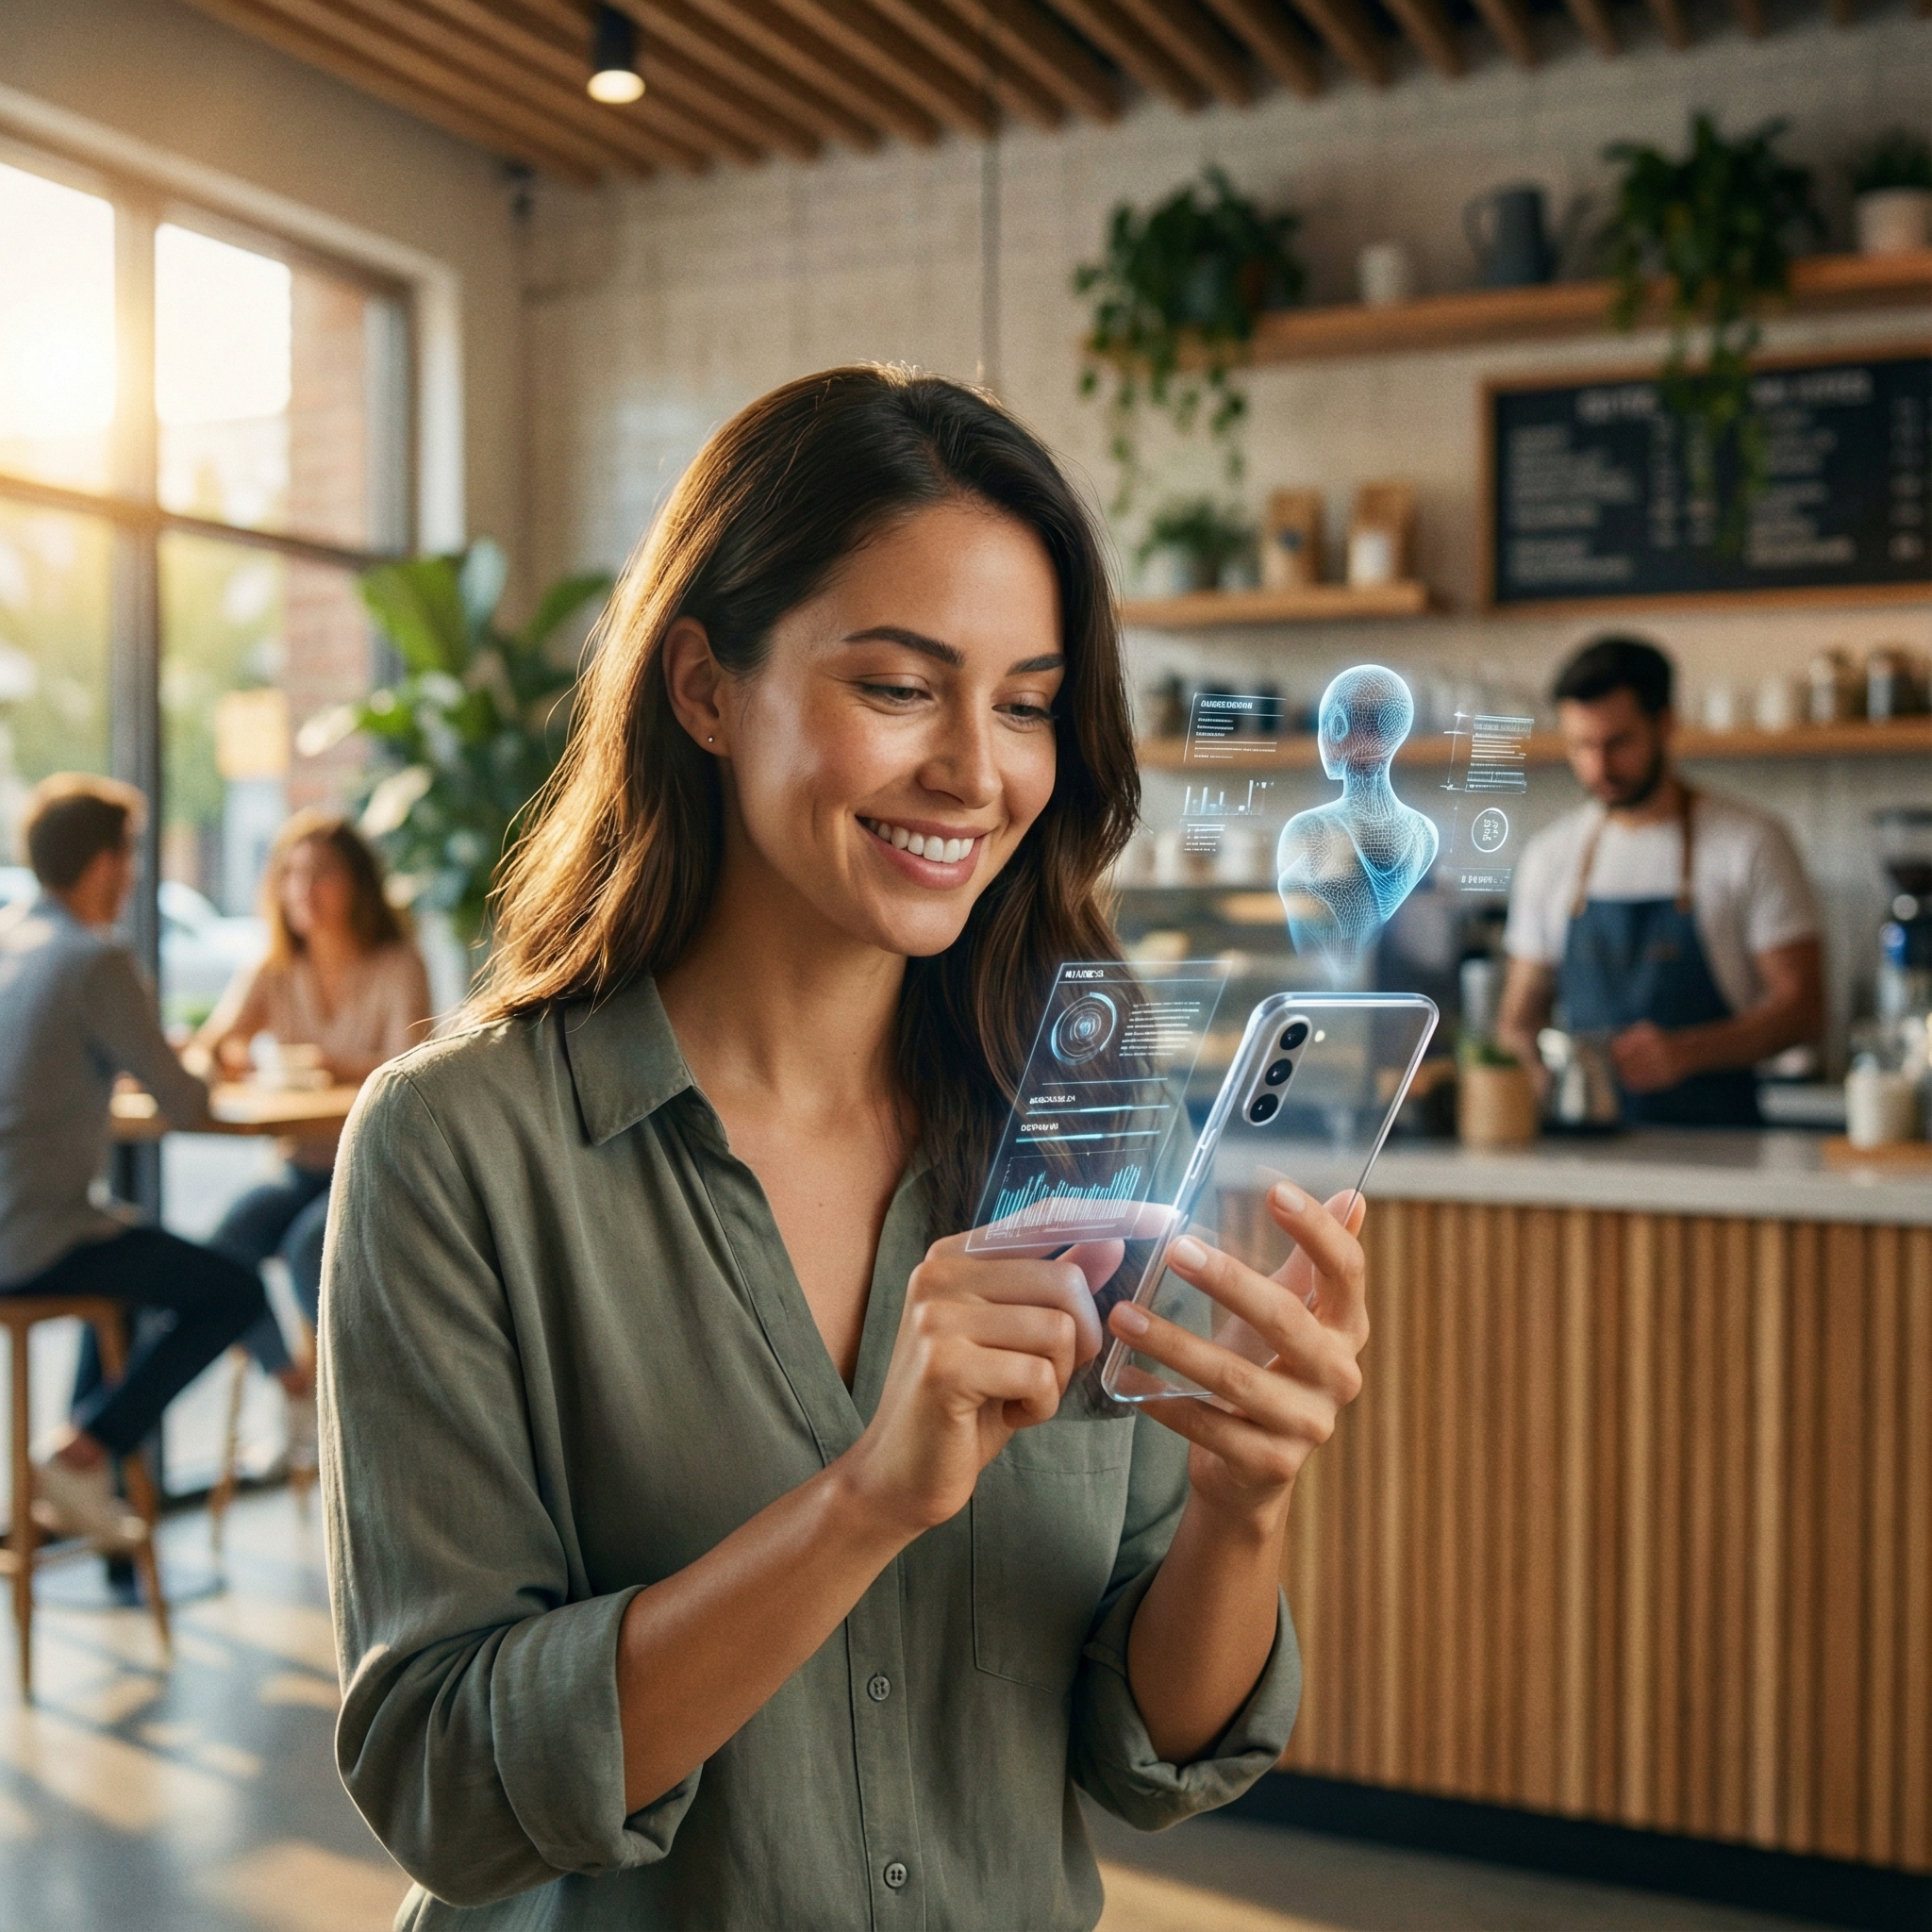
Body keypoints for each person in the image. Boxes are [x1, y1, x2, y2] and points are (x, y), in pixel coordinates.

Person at [323, 367, 1374, 1930]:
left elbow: (1144, 1744)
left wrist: (1243, 1504)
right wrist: (865, 1499)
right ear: (703, 687)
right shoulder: (460, 1144)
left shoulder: (1092, 1127)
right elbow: (447, 1791)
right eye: (896, 686)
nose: (975, 768)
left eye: (1023, 701)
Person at [0, 775, 266, 1549]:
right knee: (234, 1290)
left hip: (16, 1225)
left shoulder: (13, 939)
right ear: (108, 865)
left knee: (122, 1255)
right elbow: (183, 1103)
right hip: (38, 1239)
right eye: (131, 859)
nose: (135, 876)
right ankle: (83, 1452)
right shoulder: (94, 958)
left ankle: (85, 1471)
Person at [1497, 636, 1823, 1125]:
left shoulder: (1751, 843)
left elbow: (1803, 1009)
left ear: (1665, 725)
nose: (1598, 767)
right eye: (1581, 746)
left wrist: (1689, 1052)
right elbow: (1518, 1020)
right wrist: (1539, 1071)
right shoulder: (1551, 856)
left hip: (1724, 1146)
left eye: (1617, 743)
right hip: (1586, 1149)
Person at [195, 810, 431, 1446]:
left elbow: (413, 1072)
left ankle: (356, 1407)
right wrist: (228, 1052)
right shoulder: (274, 968)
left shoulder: (397, 963)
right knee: (223, 1251)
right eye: (292, 874)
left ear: (357, 883)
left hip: (371, 1168)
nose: (304, 888)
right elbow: (217, 1043)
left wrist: (335, 1065)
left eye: (321, 873)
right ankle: (296, 1386)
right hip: (297, 1164)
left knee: (309, 1247)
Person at [1275, 664, 1440, 961]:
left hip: (1330, 991)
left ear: (1338, 727)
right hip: (1395, 983)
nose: (1321, 739)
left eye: (1326, 725)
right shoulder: (1424, 831)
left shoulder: (1308, 828)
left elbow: (1309, 957)